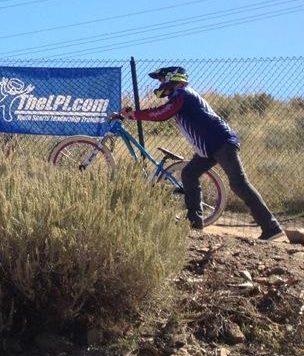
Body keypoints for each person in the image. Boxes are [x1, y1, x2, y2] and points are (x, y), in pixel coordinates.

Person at [116, 66, 283, 240]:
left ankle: (271, 228)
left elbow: (162, 114)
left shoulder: (182, 94)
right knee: (188, 174)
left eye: (161, 79)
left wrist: (134, 114)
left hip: (221, 143)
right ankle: (194, 222)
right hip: (208, 148)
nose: (160, 84)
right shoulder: (178, 95)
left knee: (239, 184)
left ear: (172, 78)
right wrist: (132, 115)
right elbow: (162, 111)